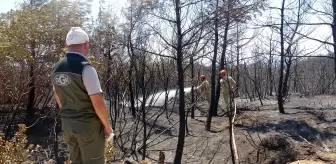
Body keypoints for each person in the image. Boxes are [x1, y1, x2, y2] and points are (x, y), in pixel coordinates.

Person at [51, 27, 113, 164]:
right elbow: (97, 102)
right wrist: (106, 126)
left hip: (68, 126)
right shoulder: (86, 67)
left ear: (68, 45)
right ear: (86, 44)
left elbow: (58, 98)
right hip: (88, 128)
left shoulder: (56, 68)